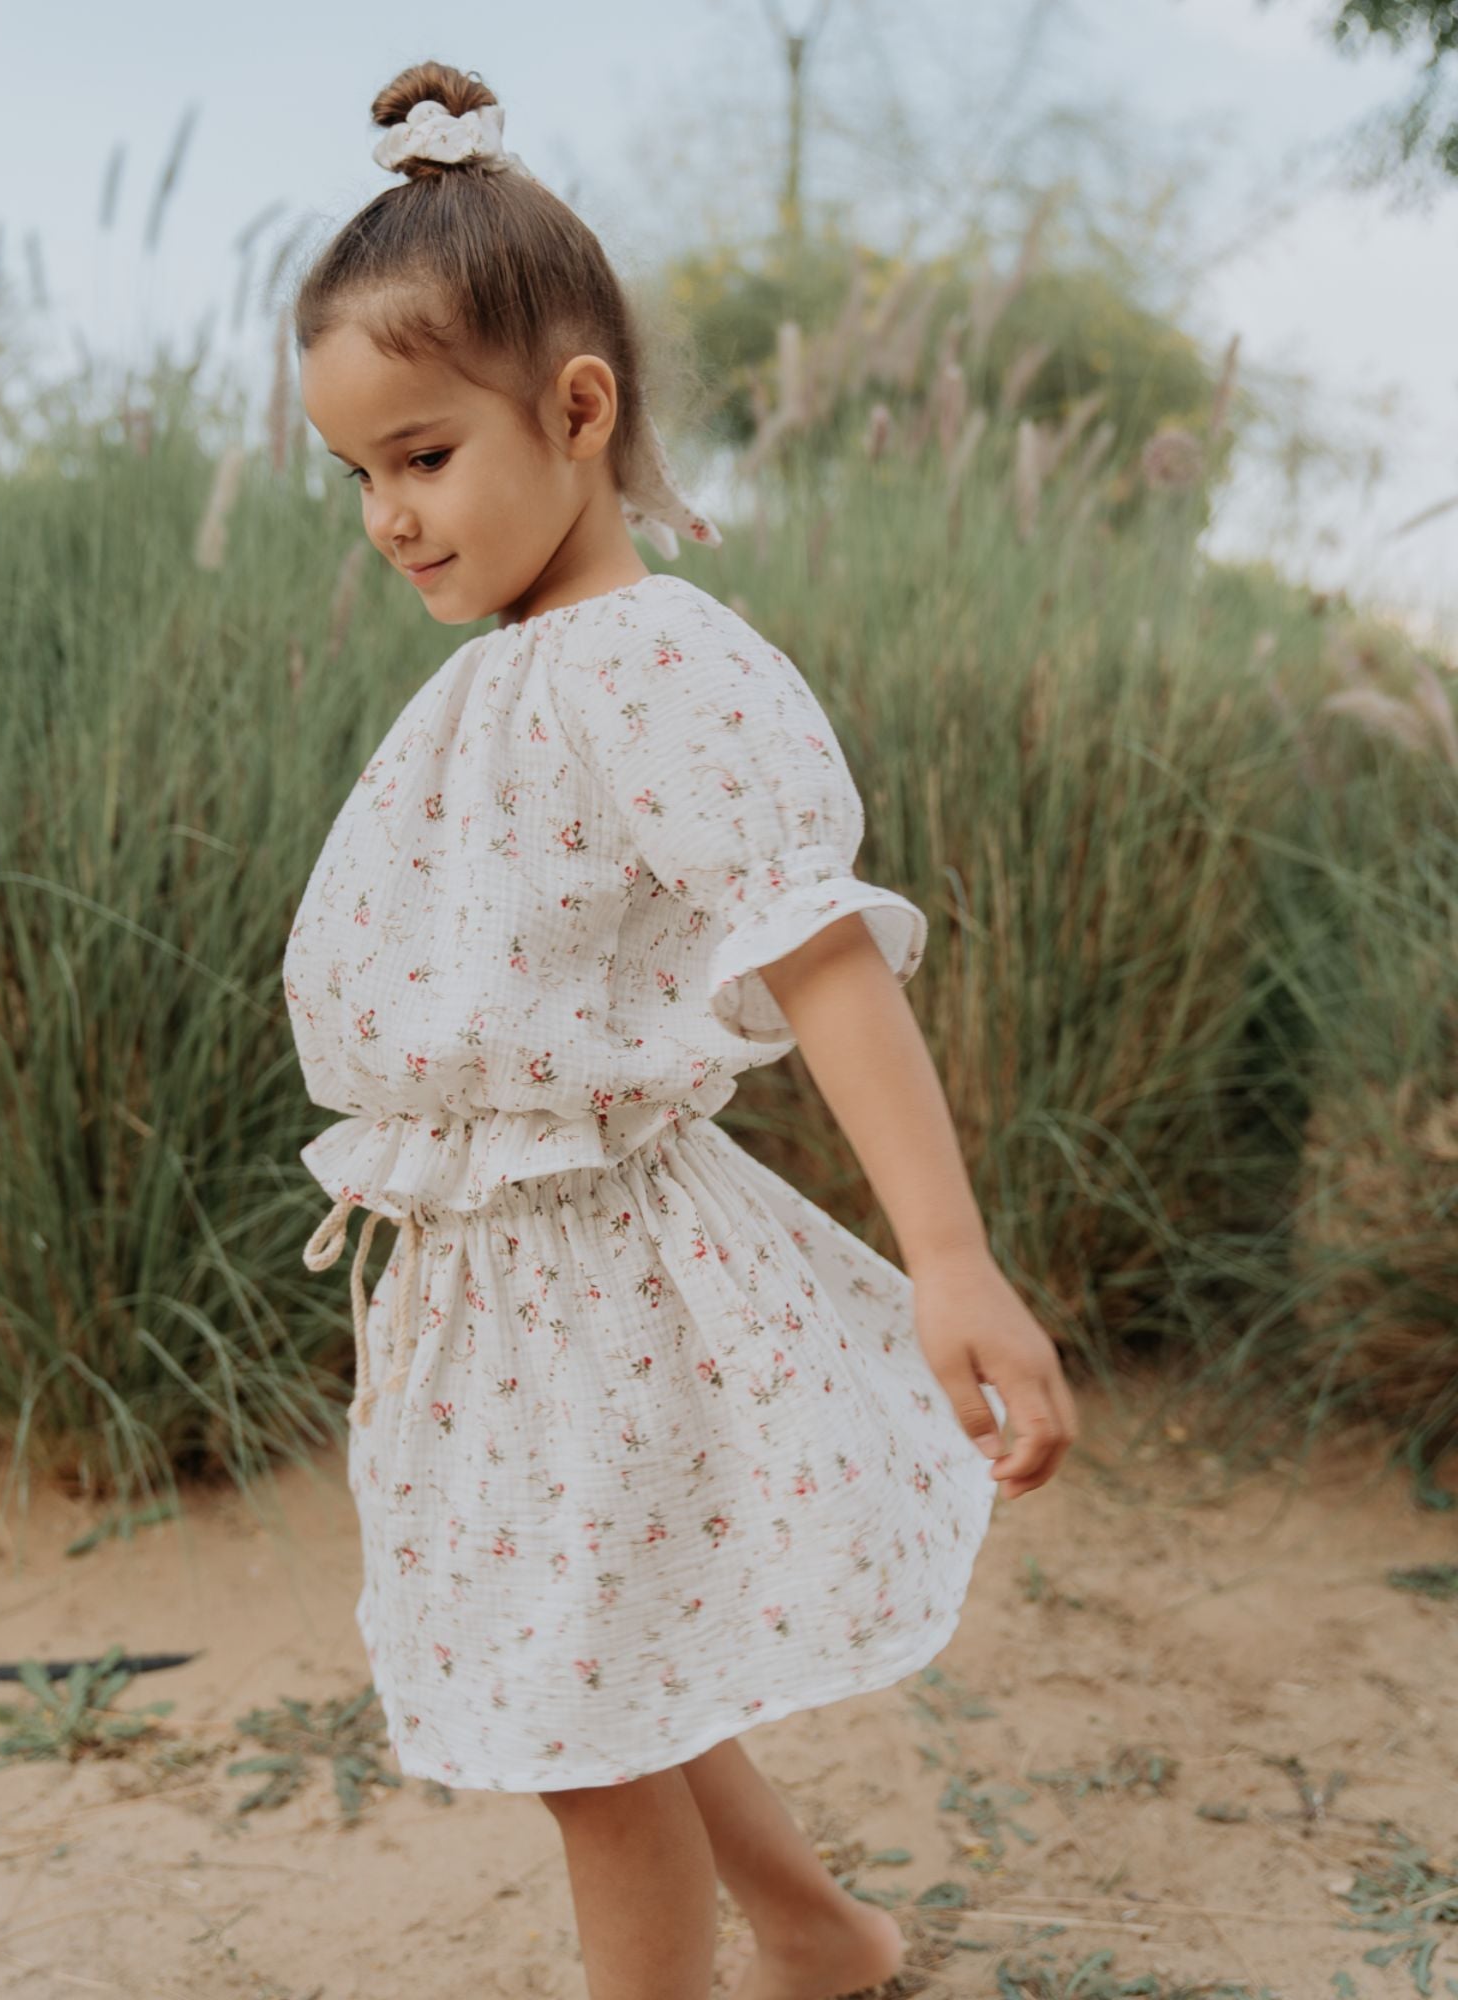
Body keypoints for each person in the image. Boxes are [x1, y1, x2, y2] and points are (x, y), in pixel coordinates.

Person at [281, 58, 1078, 2000]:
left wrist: (946, 1257)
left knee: (584, 1731)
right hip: (494, 1277)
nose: (389, 514)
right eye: (358, 473)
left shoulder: (646, 663)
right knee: (605, 1654)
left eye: (424, 453)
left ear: (576, 411)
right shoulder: (511, 677)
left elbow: (812, 951)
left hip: (595, 1277)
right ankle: (815, 1933)